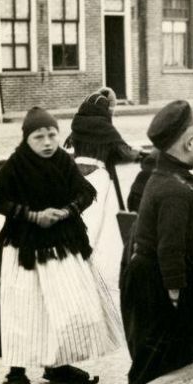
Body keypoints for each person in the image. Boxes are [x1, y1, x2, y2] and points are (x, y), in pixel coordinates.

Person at [0, 107, 123, 384]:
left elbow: (85, 192)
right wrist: (33, 216)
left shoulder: (63, 161)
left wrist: (66, 212)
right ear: (27, 139)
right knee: (24, 311)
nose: (47, 142)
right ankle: (15, 374)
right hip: (24, 248)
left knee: (64, 306)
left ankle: (57, 365)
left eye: (52, 135)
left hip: (62, 243)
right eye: (39, 136)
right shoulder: (16, 165)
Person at [120, 101, 193, 384]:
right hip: (157, 279)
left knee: (172, 348)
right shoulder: (175, 189)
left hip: (154, 273)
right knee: (156, 350)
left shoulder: (169, 176)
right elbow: (169, 247)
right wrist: (174, 289)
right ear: (190, 143)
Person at [66, 88, 143, 257]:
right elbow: (125, 152)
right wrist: (139, 153)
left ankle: (74, 249)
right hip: (98, 174)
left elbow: (68, 150)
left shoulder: (76, 126)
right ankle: (87, 252)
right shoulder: (106, 130)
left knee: (78, 212)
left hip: (74, 175)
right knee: (95, 220)